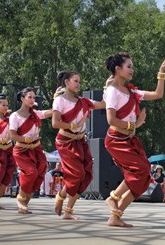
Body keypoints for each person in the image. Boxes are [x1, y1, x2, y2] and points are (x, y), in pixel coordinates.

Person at [103, 52, 165, 227]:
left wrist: (161, 72)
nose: (132, 70)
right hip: (116, 139)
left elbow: (158, 94)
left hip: (130, 139)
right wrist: (135, 125)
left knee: (143, 178)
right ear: (117, 69)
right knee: (140, 169)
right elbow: (111, 120)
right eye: (129, 66)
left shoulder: (132, 91)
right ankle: (112, 197)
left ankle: (115, 216)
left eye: (132, 67)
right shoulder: (113, 91)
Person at [52, 70, 106, 220]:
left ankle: (68, 210)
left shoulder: (83, 102)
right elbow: (55, 123)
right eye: (75, 81)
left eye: (79, 81)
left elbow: (103, 104)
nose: (78, 84)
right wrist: (72, 125)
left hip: (80, 141)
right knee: (77, 174)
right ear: (67, 82)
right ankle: (61, 197)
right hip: (65, 141)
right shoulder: (60, 101)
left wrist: (108, 88)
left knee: (86, 175)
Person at [9, 87, 53, 214]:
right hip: (22, 149)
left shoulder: (35, 114)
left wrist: (57, 99)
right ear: (22, 99)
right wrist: (26, 140)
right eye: (29, 97)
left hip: (36, 148)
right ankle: (21, 201)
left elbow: (51, 112)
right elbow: (13, 135)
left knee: (40, 171)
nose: (32, 99)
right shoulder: (15, 116)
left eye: (34, 97)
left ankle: (24, 204)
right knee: (30, 172)